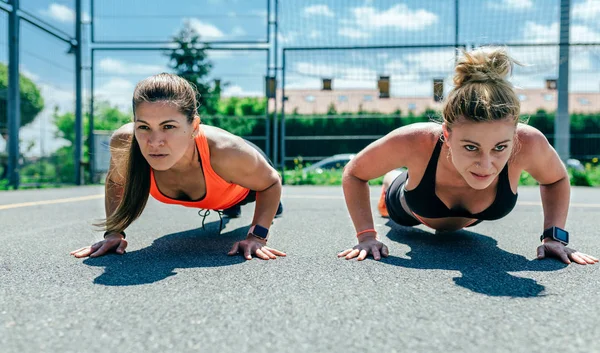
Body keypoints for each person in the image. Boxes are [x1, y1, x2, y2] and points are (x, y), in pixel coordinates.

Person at [338, 47, 598, 265]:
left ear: (514, 136)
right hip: (410, 210)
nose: (486, 165)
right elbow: (355, 172)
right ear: (447, 135)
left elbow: (555, 180)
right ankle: (391, 181)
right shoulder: (417, 141)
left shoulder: (527, 142)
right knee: (395, 189)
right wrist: (366, 236)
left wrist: (554, 237)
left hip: (469, 223)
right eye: (471, 147)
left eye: (500, 148)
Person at [71, 73, 285, 261]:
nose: (155, 142)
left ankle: (246, 205)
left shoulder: (227, 151)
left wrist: (257, 236)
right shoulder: (125, 144)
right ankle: (227, 206)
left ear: (193, 127)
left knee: (267, 201)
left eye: (169, 126)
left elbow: (271, 182)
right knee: (223, 203)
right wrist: (113, 233)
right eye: (144, 126)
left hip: (243, 184)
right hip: (219, 191)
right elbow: (116, 182)